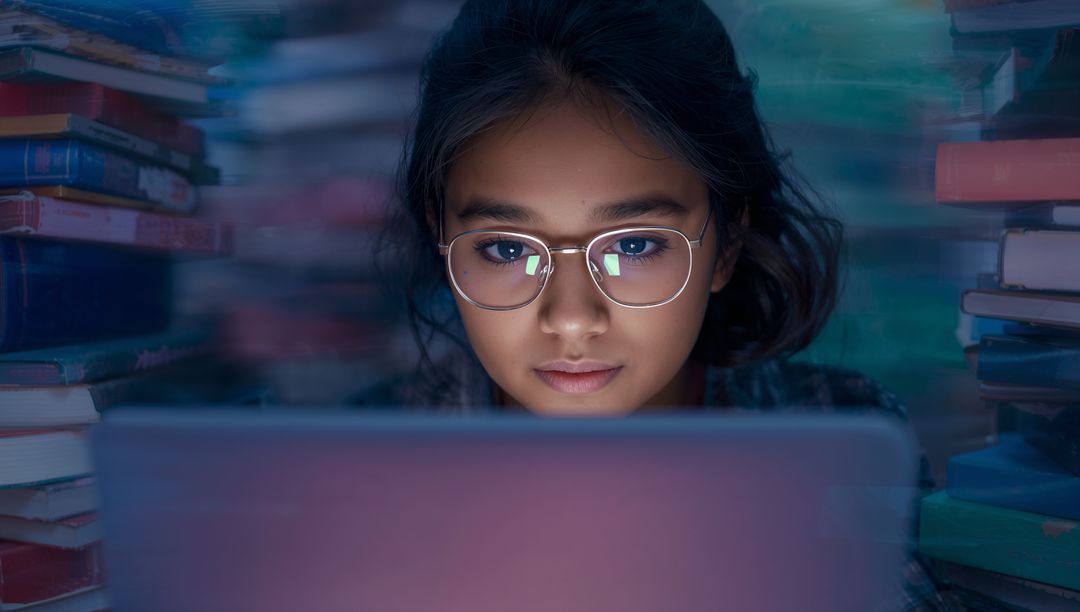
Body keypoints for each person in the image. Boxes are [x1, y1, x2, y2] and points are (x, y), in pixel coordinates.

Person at [365, 0, 967, 609]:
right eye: (505, 248)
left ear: (726, 244)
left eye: (634, 244)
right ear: (444, 241)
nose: (572, 318)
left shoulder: (835, 441)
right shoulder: (355, 472)